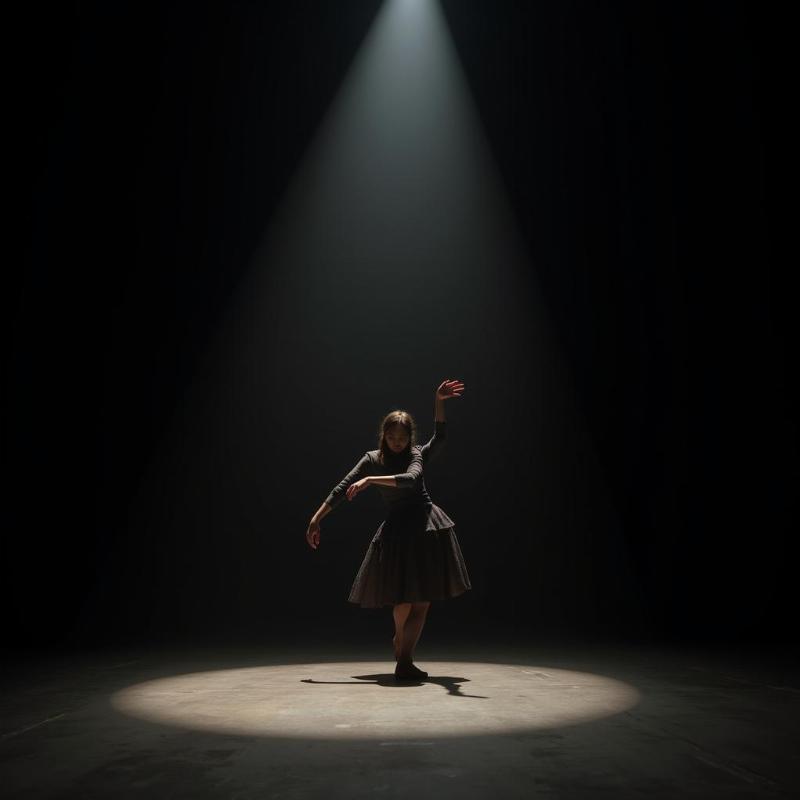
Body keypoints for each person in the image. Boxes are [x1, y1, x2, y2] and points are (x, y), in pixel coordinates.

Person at [306, 379, 472, 680]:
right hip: (398, 530)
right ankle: (400, 641)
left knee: (421, 600)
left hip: (425, 527)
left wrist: (438, 402)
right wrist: (316, 519)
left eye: (402, 437)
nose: (397, 441)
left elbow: (411, 478)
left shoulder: (415, 454)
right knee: (402, 597)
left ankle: (404, 659)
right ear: (384, 435)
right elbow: (342, 488)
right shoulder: (372, 459)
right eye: (392, 436)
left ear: (409, 438)